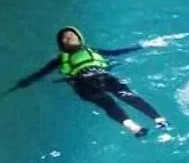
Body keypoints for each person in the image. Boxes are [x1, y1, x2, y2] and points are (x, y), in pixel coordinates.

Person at [11, 26, 169, 136]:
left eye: (70, 36)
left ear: (80, 38)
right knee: (114, 100)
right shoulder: (61, 59)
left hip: (95, 79)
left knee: (121, 97)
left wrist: (143, 46)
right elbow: (41, 73)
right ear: (62, 45)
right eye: (64, 38)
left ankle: (149, 122)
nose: (67, 38)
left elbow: (117, 52)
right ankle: (144, 124)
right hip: (84, 81)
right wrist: (24, 83)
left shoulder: (91, 51)